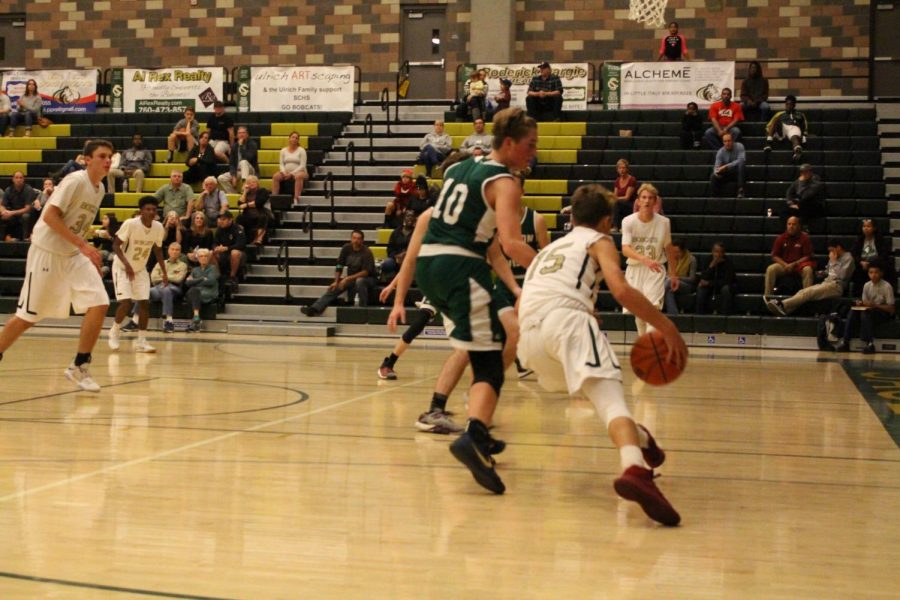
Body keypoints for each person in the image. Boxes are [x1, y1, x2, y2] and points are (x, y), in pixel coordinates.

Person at [387, 107, 540, 494]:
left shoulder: (457, 170)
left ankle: (478, 432)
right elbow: (510, 242)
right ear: (509, 143)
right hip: (459, 268)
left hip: (431, 267)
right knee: (490, 360)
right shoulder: (506, 182)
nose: (533, 152)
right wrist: (552, 270)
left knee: (500, 339)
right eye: (529, 145)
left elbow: (483, 241)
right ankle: (473, 436)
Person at [517, 183, 686, 526]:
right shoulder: (600, 240)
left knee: (601, 399)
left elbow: (525, 301)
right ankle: (634, 469)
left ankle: (641, 440)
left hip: (530, 340)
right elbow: (621, 290)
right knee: (612, 402)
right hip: (566, 323)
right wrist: (667, 327)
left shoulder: (547, 251)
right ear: (607, 220)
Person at [0, 139, 114, 392]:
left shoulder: (100, 189)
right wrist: (83, 246)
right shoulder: (75, 180)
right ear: (87, 159)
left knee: (100, 302)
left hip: (72, 253)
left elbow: (76, 224)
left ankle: (79, 365)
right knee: (27, 317)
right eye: (102, 155)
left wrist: (86, 247)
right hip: (47, 252)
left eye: (110, 156)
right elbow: (50, 216)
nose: (108, 160)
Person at [108, 195, 167, 354]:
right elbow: (115, 245)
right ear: (141, 211)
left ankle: (141, 341)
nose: (151, 212)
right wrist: (127, 265)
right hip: (122, 267)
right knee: (126, 303)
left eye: (154, 209)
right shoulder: (130, 224)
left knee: (144, 304)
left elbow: (158, 250)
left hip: (140, 269)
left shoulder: (158, 227)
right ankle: (115, 330)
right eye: (147, 209)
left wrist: (164, 272)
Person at [621, 183, 678, 336]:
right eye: (644, 198)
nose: (647, 201)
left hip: (656, 269)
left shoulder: (664, 223)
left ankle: (650, 347)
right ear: (638, 201)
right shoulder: (628, 221)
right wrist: (644, 259)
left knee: (652, 310)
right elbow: (625, 249)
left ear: (655, 202)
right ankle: (643, 340)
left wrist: (673, 274)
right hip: (635, 269)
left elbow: (668, 247)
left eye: (650, 198)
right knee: (639, 314)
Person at [767, 239, 854, 316]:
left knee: (808, 292)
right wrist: (821, 273)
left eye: (832, 250)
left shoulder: (848, 258)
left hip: (836, 286)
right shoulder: (833, 257)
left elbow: (842, 276)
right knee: (803, 291)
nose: (830, 253)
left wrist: (834, 261)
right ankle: (785, 310)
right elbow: (829, 271)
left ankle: (782, 304)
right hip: (826, 283)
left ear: (838, 247)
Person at [302, 229, 377, 316]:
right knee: (335, 286)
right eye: (354, 238)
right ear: (351, 239)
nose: (356, 241)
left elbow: (365, 272)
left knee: (360, 281)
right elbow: (339, 266)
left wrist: (347, 278)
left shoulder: (367, 252)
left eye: (358, 238)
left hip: (368, 279)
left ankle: (362, 309)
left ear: (362, 240)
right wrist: (336, 281)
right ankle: (314, 309)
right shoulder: (346, 248)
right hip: (352, 278)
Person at [833, 260, 895, 354]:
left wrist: (875, 305)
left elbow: (891, 309)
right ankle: (845, 341)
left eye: (876, 272)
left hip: (882, 313)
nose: (873, 275)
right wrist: (860, 303)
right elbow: (865, 303)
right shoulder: (867, 285)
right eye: (871, 272)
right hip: (869, 310)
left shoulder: (887, 286)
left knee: (866, 313)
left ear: (881, 273)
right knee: (853, 311)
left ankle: (869, 343)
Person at [764, 215, 815, 298]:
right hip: (784, 265)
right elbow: (774, 256)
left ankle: (807, 298)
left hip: (799, 266)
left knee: (808, 270)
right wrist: (785, 265)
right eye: (789, 224)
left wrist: (794, 264)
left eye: (794, 224)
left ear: (799, 226)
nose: (791, 226)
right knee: (771, 269)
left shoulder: (805, 238)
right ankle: (768, 297)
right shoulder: (781, 238)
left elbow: (808, 256)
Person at [149, 241, 189, 333]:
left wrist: (164, 277)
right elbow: (153, 278)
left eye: (177, 250)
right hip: (158, 287)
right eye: (173, 249)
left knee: (167, 289)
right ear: (168, 251)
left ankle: (169, 320)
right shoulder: (160, 263)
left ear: (180, 252)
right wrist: (167, 278)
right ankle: (135, 319)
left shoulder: (183, 265)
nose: (175, 251)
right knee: (145, 292)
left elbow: (178, 279)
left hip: (174, 289)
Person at [850, 219, 895, 293]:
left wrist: (871, 264)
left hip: (877, 263)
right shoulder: (859, 239)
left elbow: (884, 254)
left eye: (868, 226)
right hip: (862, 264)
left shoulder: (879, 239)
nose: (866, 228)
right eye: (864, 226)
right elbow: (853, 254)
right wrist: (861, 262)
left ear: (874, 228)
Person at [695, 241, 737, 315]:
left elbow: (727, 281)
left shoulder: (728, 263)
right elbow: (703, 277)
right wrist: (711, 266)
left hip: (723, 286)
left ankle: (725, 315)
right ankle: (700, 315)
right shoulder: (707, 260)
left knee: (726, 289)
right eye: (716, 252)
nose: (718, 254)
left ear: (723, 253)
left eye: (721, 252)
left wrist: (709, 283)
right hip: (710, 286)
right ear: (712, 251)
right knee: (700, 289)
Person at [183, 247, 219, 332]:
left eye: (206, 256)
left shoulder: (213, 268)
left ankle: (195, 320)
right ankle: (196, 318)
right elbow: (187, 283)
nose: (203, 258)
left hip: (209, 292)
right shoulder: (195, 270)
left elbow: (211, 281)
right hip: (197, 292)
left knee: (193, 292)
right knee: (193, 292)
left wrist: (194, 281)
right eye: (201, 256)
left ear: (208, 258)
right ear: (198, 258)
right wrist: (202, 278)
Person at [764, 95, 807, 162]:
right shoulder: (780, 114)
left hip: (794, 129)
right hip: (782, 129)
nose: (788, 106)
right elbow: (769, 125)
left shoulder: (800, 115)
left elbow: (804, 126)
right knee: (776, 121)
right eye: (787, 104)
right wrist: (769, 133)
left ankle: (797, 150)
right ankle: (768, 144)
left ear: (794, 105)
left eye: (790, 104)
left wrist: (804, 134)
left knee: (795, 137)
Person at [218, 126, 258, 193]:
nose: (241, 134)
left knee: (243, 162)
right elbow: (232, 163)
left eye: (243, 133)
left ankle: (245, 184)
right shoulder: (234, 146)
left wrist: (241, 146)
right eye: (239, 133)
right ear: (237, 135)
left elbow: (248, 158)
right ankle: (234, 194)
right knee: (221, 178)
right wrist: (234, 176)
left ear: (247, 134)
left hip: (250, 170)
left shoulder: (252, 145)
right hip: (239, 171)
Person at [272, 131, 308, 205]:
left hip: (300, 171)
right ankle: (274, 198)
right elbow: (281, 163)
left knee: (298, 176)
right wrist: (283, 172)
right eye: (293, 137)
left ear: (298, 140)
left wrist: (291, 174)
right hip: (286, 172)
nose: (294, 139)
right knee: (275, 176)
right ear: (289, 139)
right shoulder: (283, 150)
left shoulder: (302, 150)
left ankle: (296, 199)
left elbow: (302, 165)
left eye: (296, 138)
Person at [213, 211, 247, 290]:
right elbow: (214, 242)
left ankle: (232, 276)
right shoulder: (219, 229)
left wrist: (226, 248)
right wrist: (216, 248)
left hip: (239, 255)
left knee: (234, 252)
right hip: (224, 254)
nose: (221, 221)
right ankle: (218, 276)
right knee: (211, 253)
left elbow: (241, 245)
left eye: (223, 219)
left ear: (230, 220)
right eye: (220, 219)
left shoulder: (238, 229)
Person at [0, 171, 37, 241]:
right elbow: (2, 205)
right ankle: (6, 237)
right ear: (13, 179)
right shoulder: (8, 190)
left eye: (21, 178)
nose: (18, 179)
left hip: (26, 213)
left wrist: (11, 213)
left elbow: (27, 209)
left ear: (23, 179)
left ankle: (25, 238)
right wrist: (4, 212)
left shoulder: (28, 190)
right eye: (16, 177)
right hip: (13, 213)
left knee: (25, 216)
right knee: (3, 215)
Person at [663, 239, 697, 315]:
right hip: (670, 283)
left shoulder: (691, 259)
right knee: (669, 292)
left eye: (678, 252)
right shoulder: (670, 258)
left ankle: (655, 299)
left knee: (669, 281)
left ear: (683, 251)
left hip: (686, 285)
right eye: (674, 252)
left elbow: (692, 279)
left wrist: (677, 278)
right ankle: (674, 315)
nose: (675, 254)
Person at [236, 175, 272, 246]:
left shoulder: (263, 191)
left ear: (257, 183)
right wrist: (245, 192)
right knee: (239, 218)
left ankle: (259, 238)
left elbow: (259, 203)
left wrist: (246, 205)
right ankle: (240, 238)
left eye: (253, 182)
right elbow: (240, 204)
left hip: (263, 214)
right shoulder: (247, 193)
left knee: (263, 217)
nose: (251, 184)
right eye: (249, 182)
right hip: (249, 216)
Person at [381, 210, 416, 281]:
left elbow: (419, 248)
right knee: (387, 263)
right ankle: (392, 281)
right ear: (403, 218)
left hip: (412, 259)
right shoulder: (395, 232)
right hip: (396, 259)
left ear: (414, 219)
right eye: (408, 216)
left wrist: (406, 255)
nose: (410, 218)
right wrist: (396, 257)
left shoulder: (416, 233)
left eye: (412, 216)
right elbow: (389, 249)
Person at [709, 132, 746, 198]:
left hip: (739, 172)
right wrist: (717, 173)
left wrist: (726, 166)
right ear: (723, 142)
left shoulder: (739, 146)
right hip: (727, 173)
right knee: (713, 176)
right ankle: (715, 197)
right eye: (725, 141)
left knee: (741, 164)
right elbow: (716, 166)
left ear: (733, 141)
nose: (727, 143)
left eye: (729, 141)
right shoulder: (720, 151)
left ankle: (741, 190)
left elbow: (742, 160)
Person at [610, 158, 638, 231]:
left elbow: (627, 197)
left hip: (630, 204)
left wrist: (615, 199)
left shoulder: (632, 180)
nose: (622, 170)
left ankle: (616, 226)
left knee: (616, 202)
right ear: (617, 169)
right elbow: (615, 195)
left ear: (627, 169)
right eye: (620, 168)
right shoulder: (617, 181)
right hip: (620, 203)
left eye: (623, 168)